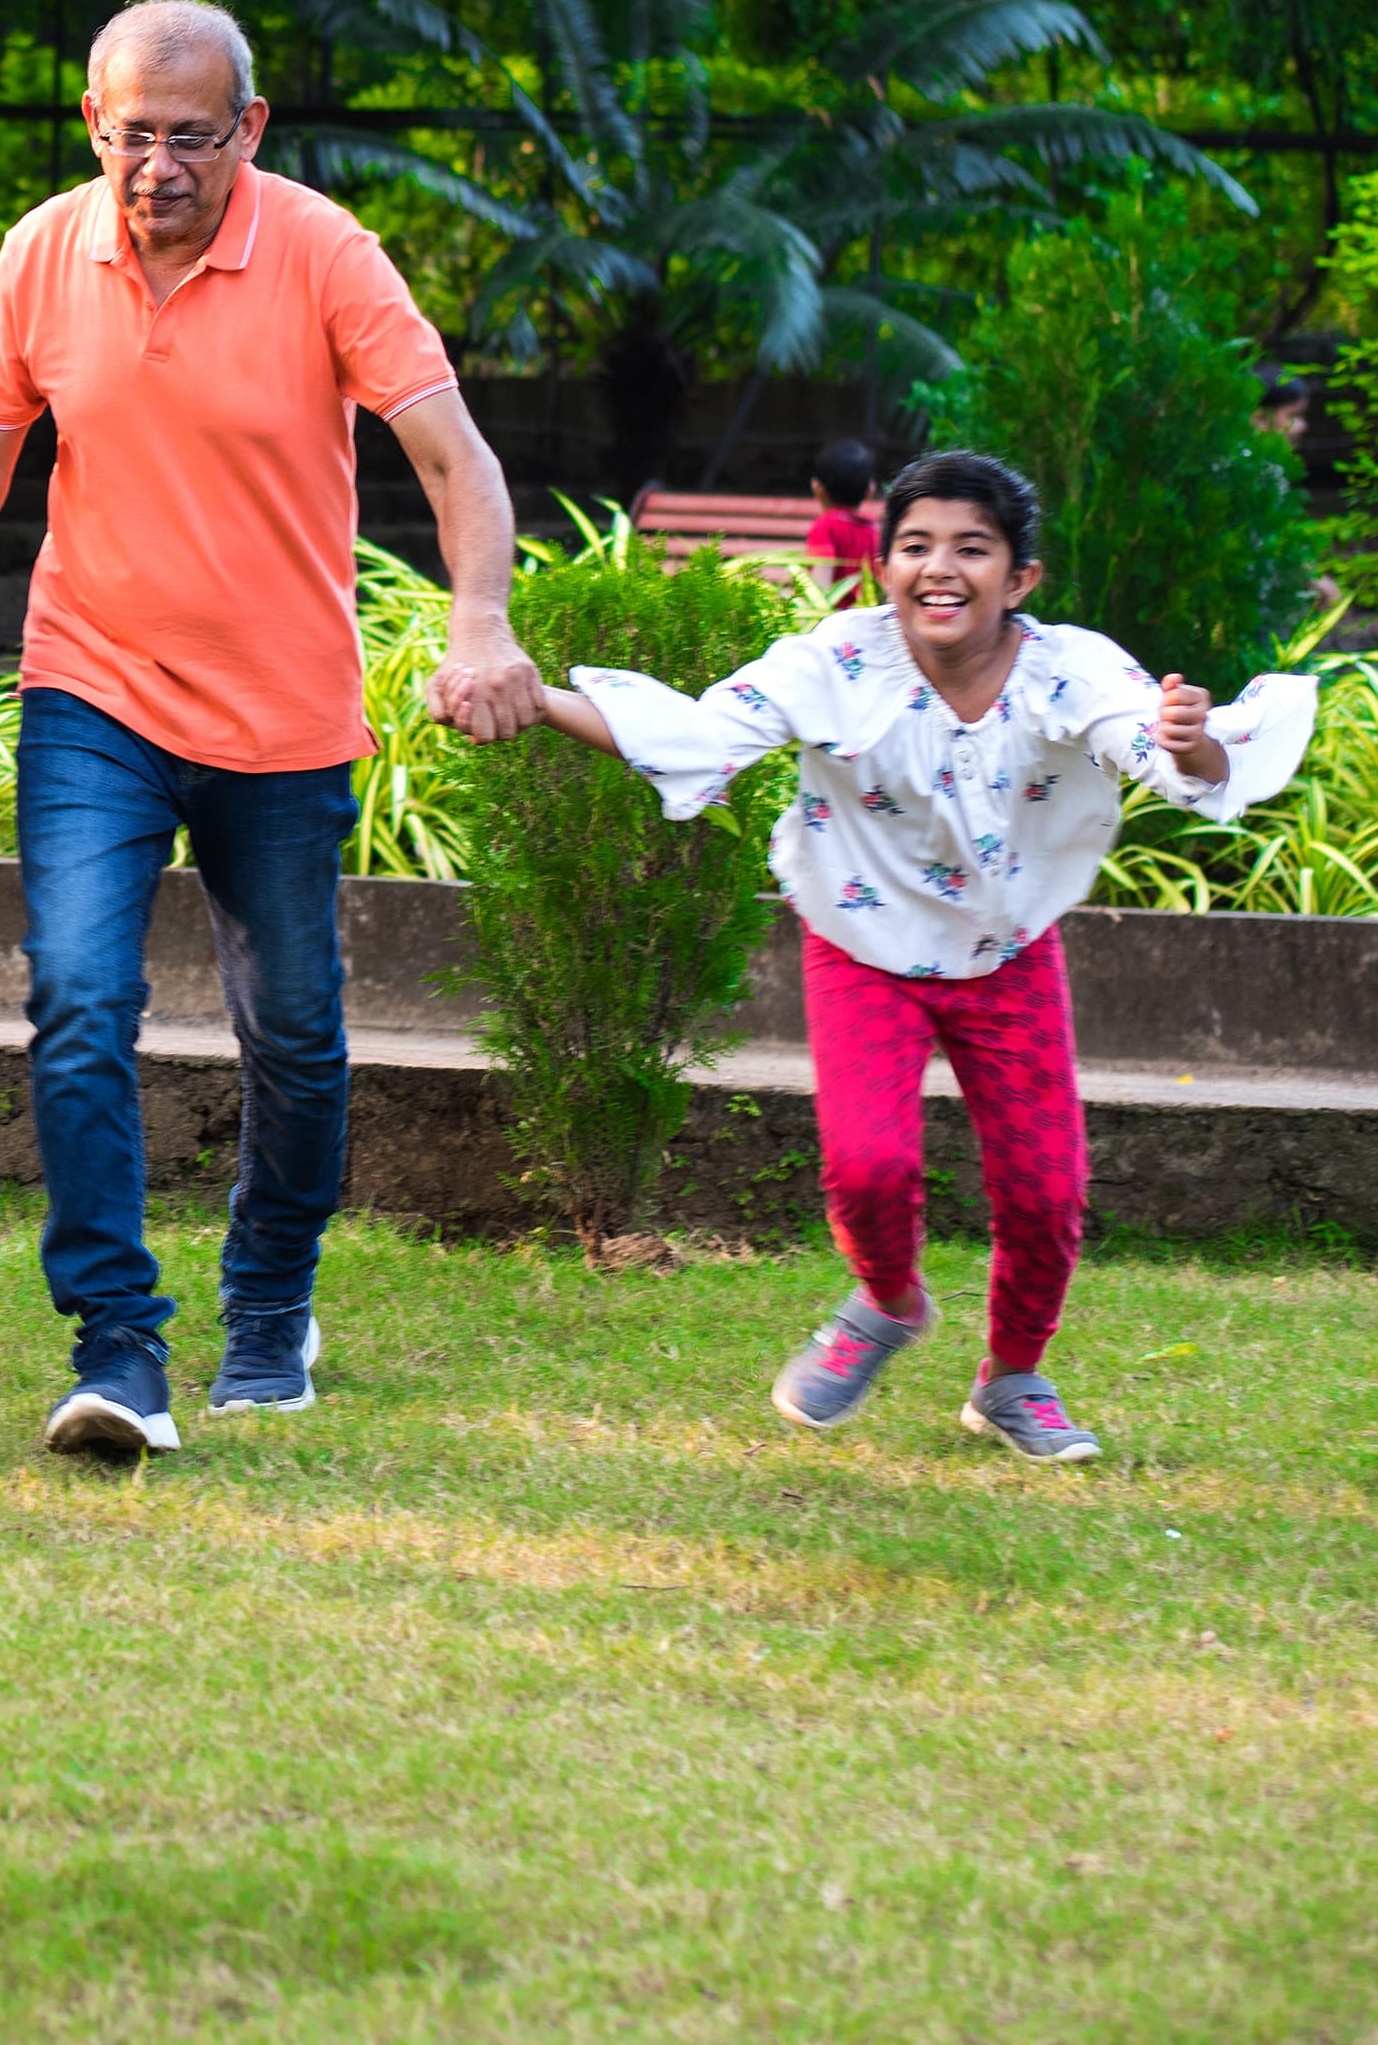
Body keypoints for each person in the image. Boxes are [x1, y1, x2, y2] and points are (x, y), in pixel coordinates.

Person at [0, 0, 550, 1463]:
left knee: (289, 1027)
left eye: (190, 136)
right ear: (91, 125)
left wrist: (481, 622)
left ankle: (271, 1297)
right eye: (132, 135)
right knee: (79, 995)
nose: (158, 166)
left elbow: (453, 456)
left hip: (282, 710)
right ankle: (117, 1343)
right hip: (93, 689)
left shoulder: (324, 251)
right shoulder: (42, 251)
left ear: (249, 129)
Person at [528, 448, 1313, 1458]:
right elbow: (694, 736)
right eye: (915, 545)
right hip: (859, 944)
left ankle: (1012, 1376)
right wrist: (536, 702)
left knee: (1044, 1188)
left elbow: (1161, 754)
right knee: (866, 1166)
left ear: (1019, 579)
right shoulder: (833, 663)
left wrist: (1191, 738)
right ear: (883, 564)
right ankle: (888, 1301)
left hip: (1006, 950)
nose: (939, 568)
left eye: (971, 548)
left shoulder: (1069, 668)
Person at [803, 435, 882, 600]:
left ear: (816, 487)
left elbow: (820, 587)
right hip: (868, 612)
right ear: (870, 490)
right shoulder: (875, 530)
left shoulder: (824, 528)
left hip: (833, 615)